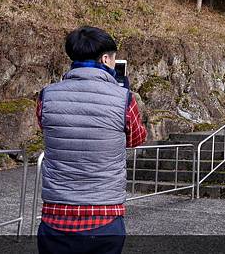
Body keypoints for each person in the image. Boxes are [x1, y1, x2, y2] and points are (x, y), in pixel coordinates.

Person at [35, 26, 147, 254]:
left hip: (56, 215)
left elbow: (47, 128)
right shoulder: (123, 98)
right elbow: (136, 138)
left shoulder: (47, 95)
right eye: (114, 59)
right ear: (106, 59)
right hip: (104, 215)